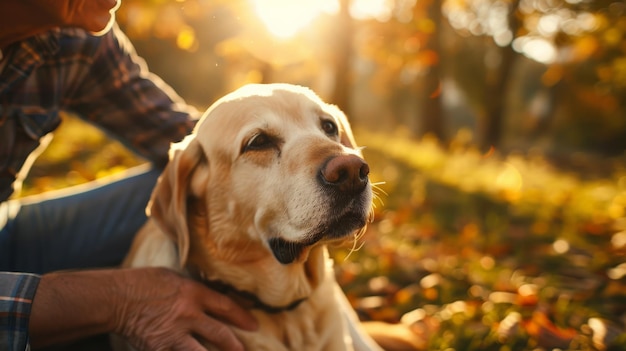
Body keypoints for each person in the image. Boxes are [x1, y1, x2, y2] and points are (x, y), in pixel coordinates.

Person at [0, 1, 258, 350]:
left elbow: (197, 146)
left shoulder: (75, 33)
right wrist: (119, 301)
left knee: (195, 181)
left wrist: (299, 174)